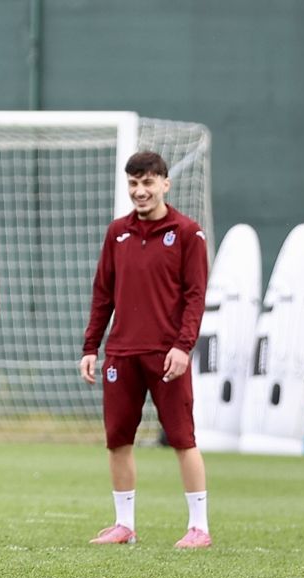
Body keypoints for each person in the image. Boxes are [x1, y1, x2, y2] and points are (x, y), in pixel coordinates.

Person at [79, 150, 211, 549]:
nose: (140, 191)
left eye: (148, 182)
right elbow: (103, 294)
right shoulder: (117, 232)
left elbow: (195, 297)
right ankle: (124, 525)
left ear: (164, 184)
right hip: (121, 354)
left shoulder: (187, 233)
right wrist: (91, 346)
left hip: (167, 355)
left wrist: (183, 346)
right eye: (134, 183)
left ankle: (199, 527)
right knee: (118, 439)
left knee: (182, 438)